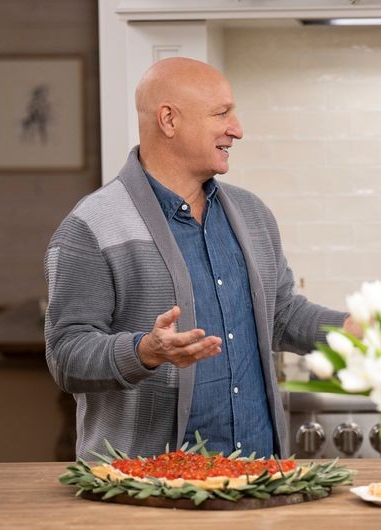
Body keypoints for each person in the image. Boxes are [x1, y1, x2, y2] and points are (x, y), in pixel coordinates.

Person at [45, 57, 354, 459]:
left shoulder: (253, 215)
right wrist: (144, 351)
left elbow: (280, 315)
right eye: (221, 113)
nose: (237, 129)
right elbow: (66, 356)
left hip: (259, 476)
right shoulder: (93, 226)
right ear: (169, 120)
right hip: (150, 485)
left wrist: (352, 330)